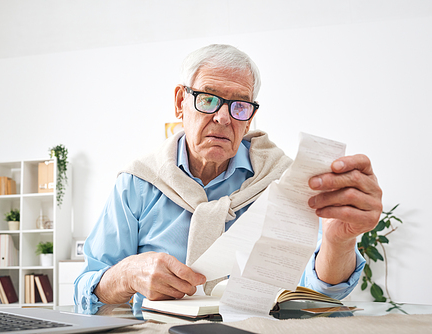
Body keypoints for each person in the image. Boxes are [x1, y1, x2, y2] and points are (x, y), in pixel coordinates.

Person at [74, 44, 382, 311]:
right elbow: (87, 289)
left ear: (249, 118)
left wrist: (339, 241)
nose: (223, 118)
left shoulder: (284, 182)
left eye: (239, 106)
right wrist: (125, 276)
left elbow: (316, 294)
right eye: (208, 99)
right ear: (181, 102)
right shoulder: (137, 184)